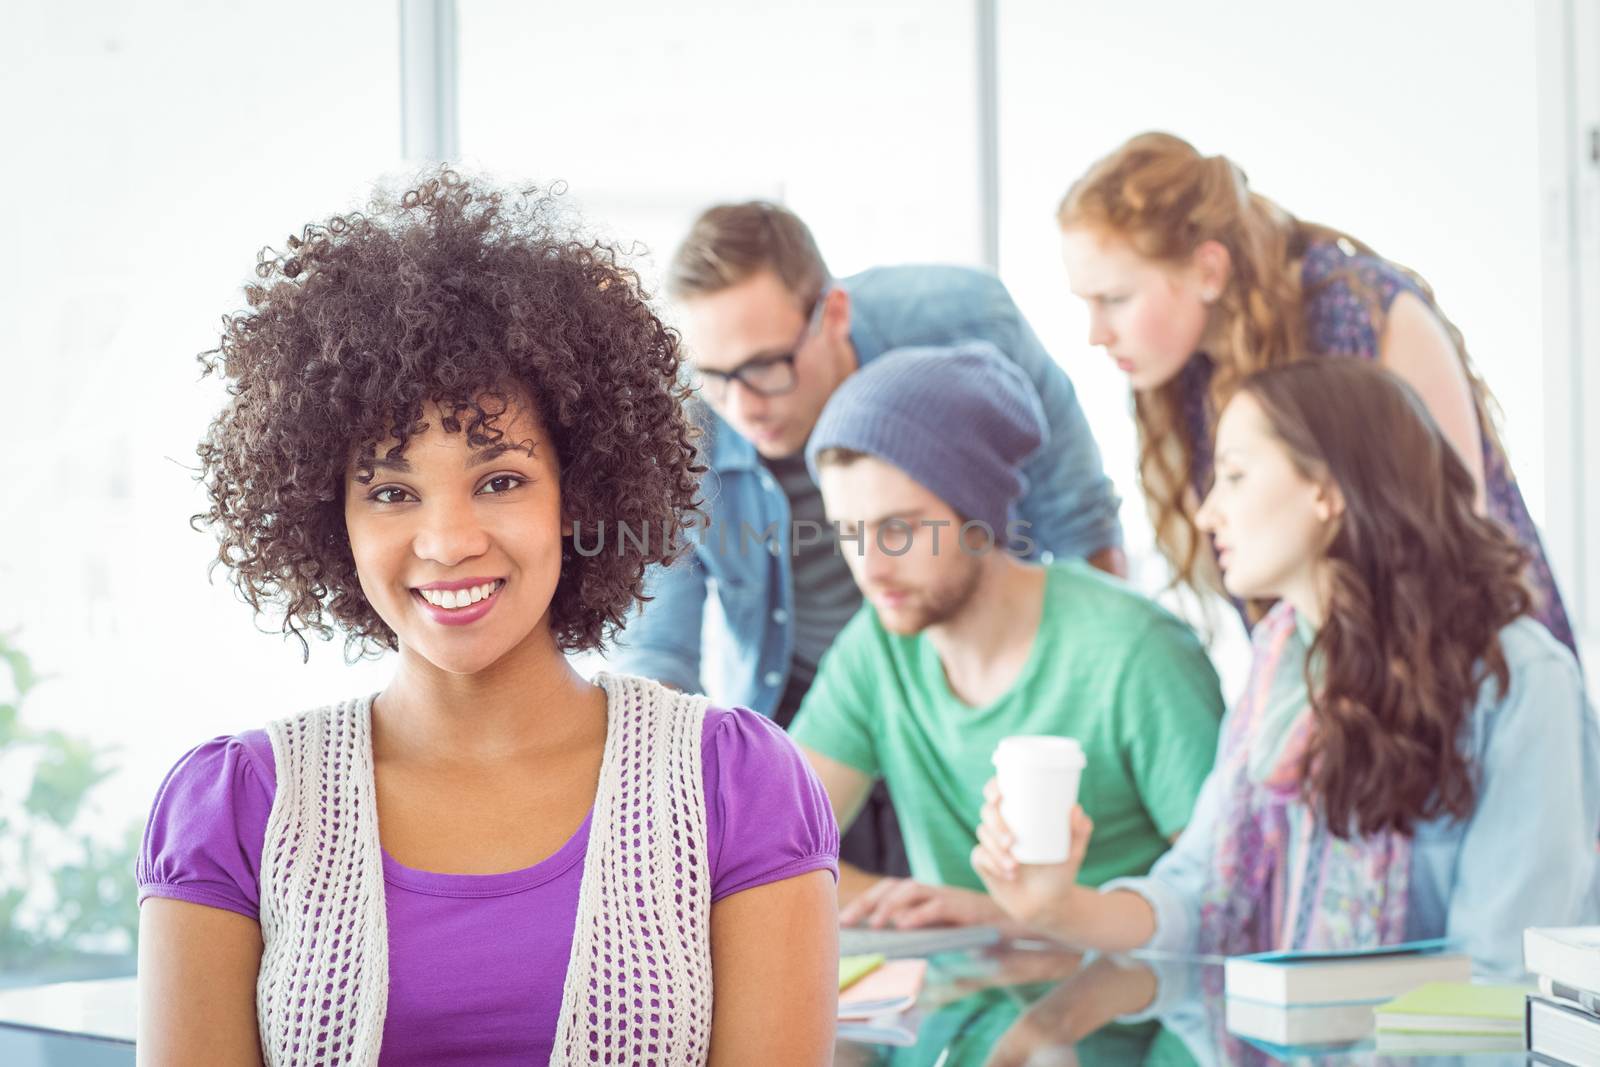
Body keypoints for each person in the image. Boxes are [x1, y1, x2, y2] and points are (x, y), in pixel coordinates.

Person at [135, 171, 840, 1065]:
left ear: (577, 493)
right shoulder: (235, 807)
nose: (447, 541)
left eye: (500, 480)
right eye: (392, 492)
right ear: (330, 518)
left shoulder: (737, 786)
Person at [973, 360, 1600, 979]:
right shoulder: (1282, 661)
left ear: (1327, 490)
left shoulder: (1519, 679)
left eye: (1236, 477)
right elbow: (1198, 897)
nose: (1206, 513)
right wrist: (1054, 903)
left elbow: (1502, 973)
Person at [610, 200, 1124, 879]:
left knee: (987, 899)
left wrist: (1090, 708)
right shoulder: (684, 414)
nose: (742, 406)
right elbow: (661, 650)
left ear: (835, 317)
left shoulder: (964, 322)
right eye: (714, 376)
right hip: (806, 702)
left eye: (766, 366)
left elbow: (1079, 525)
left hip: (963, 692)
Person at [1056, 131, 1575, 655]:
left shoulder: (1364, 310)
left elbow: (1458, 538)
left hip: (1471, 668)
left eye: (1116, 299)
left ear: (1208, 270)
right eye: (1087, 302)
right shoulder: (1171, 374)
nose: (1096, 333)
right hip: (1340, 690)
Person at [789, 344, 1223, 929]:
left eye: (899, 529)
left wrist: (995, 917)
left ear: (979, 517)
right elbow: (771, 848)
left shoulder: (1137, 652)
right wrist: (903, 903)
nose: (871, 567)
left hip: (1135, 1012)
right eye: (848, 531)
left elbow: (1229, 903)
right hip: (951, 1014)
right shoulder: (877, 647)